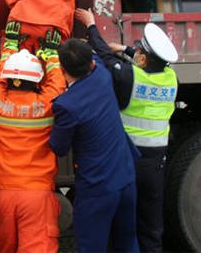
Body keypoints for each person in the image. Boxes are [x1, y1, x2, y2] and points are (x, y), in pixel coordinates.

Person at [75, 8, 179, 253]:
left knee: (122, 220)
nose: (137, 53)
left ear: (143, 59)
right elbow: (145, 61)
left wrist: (91, 25)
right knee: (150, 223)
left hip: (129, 159)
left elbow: (104, 57)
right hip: (156, 163)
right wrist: (124, 49)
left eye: (139, 52)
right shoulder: (170, 77)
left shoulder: (130, 77)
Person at [49, 38, 140, 253]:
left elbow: (59, 147)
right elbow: (97, 57)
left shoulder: (66, 105)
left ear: (62, 69)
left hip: (97, 187)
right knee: (127, 242)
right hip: (126, 178)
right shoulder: (102, 75)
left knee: (92, 246)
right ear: (90, 64)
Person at [0, 21, 66, 253]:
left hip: (3, 193)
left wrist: (9, 47)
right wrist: (50, 55)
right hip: (37, 194)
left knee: (5, 248)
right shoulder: (46, 104)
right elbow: (57, 83)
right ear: (37, 80)